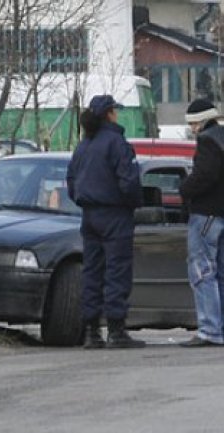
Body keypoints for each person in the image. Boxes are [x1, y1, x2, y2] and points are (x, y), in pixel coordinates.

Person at [67, 95, 145, 349]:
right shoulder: (117, 143)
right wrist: (134, 203)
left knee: (92, 272)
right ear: (110, 114)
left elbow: (71, 181)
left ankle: (92, 331)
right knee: (117, 271)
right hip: (115, 214)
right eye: (115, 111)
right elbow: (129, 182)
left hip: (89, 215)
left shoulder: (84, 145)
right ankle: (116, 329)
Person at [179, 98, 224, 347]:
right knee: (220, 273)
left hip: (206, 214)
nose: (192, 128)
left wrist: (184, 189)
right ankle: (220, 327)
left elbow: (205, 175)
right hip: (222, 215)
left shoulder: (208, 141)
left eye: (193, 123)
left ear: (200, 121)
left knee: (202, 272)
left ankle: (209, 329)